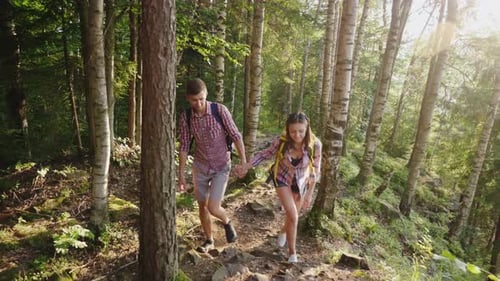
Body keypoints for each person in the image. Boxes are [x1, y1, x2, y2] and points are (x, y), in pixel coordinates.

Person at [235, 112, 321, 263]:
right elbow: (264, 155)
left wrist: (309, 195)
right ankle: (292, 253)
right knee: (293, 215)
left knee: (291, 215)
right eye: (293, 131)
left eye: (301, 131)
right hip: (282, 178)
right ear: (288, 130)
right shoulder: (282, 142)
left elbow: (315, 171)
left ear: (307, 129)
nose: (297, 135)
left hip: (301, 182)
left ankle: (283, 231)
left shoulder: (315, 145)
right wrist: (246, 166)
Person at [178, 78, 247, 253]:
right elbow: (185, 145)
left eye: (201, 98)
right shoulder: (186, 117)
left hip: (221, 166)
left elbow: (236, 135)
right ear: (188, 98)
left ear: (206, 94)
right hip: (200, 167)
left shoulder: (219, 110)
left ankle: (227, 221)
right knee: (202, 206)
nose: (199, 103)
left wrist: (244, 162)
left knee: (213, 206)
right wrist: (181, 174)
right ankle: (209, 240)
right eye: (194, 100)